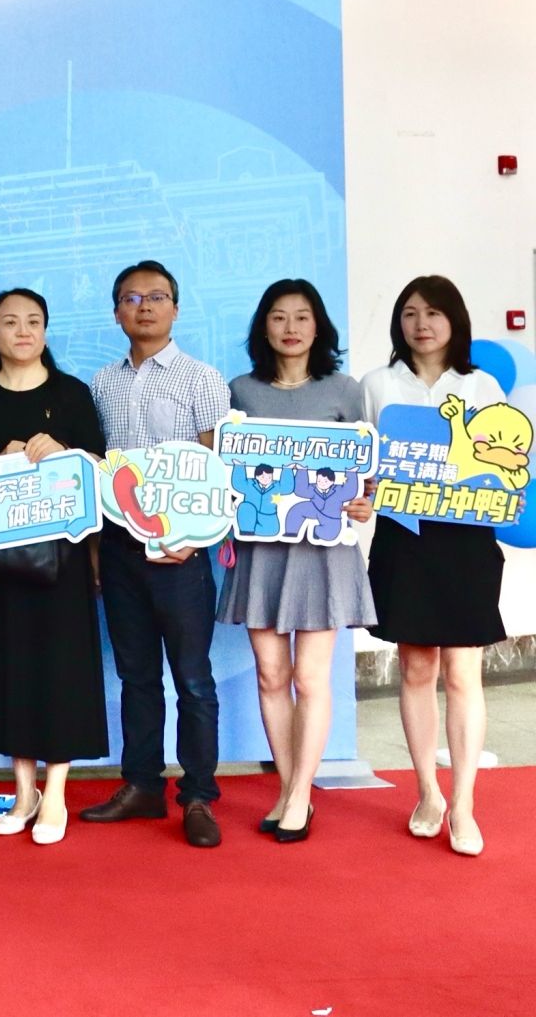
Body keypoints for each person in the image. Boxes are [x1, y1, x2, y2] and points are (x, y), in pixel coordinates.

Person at [217, 278, 375, 845]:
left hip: (323, 551)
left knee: (310, 678)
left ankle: (302, 793)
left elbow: (366, 472)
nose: (290, 327)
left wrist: (366, 501)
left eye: (302, 316)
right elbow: (223, 469)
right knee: (271, 674)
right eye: (279, 316)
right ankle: (289, 789)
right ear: (264, 327)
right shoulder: (240, 392)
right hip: (261, 550)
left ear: (318, 327)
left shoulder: (344, 389)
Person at [83, 259, 230, 848]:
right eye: (131, 298)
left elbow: (219, 468)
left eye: (156, 296)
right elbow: (98, 473)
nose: (143, 306)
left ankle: (198, 797)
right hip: (120, 548)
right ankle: (142, 785)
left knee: (192, 679)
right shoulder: (101, 384)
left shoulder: (202, 380)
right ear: (116, 312)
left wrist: (196, 538)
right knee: (135, 676)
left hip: (182, 552)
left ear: (176, 308)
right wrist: (97, 549)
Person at [360, 275, 507, 858]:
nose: (421, 324)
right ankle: (427, 793)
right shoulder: (378, 384)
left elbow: (504, 464)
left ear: (455, 321)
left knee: (464, 673)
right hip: (404, 537)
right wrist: (365, 491)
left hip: (466, 540)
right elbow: (366, 465)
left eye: (434, 313)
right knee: (416, 668)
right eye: (410, 313)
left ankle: (464, 803)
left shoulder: (481, 386)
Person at [0, 288, 108, 848]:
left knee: (60, 671)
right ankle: (25, 793)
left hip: (62, 559)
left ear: (45, 332)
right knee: (9, 669)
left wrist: (65, 453)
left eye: (33, 321)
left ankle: (58, 793)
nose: (23, 330)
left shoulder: (72, 393)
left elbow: (100, 468)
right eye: (10, 322)